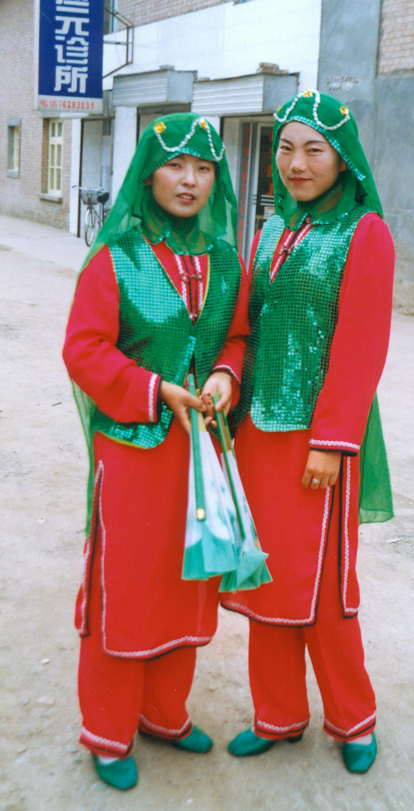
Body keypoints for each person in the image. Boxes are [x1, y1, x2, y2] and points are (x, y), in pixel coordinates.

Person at [63, 112, 248, 791]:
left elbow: (237, 338)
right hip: (134, 454)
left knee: (185, 582)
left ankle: (164, 714)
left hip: (201, 454)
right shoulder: (116, 257)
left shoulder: (226, 260)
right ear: (148, 174)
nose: (190, 180)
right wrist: (154, 389)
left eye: (203, 168)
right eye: (175, 165)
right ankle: (109, 731)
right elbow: (84, 349)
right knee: (127, 589)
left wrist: (225, 374)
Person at [222, 90, 395, 774]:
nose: (296, 164)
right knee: (266, 575)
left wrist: (331, 440)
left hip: (318, 441)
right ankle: (278, 715)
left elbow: (361, 347)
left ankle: (353, 719)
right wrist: (224, 381)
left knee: (324, 589)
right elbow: (245, 324)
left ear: (342, 157)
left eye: (313, 150)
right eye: (286, 149)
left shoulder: (364, 233)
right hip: (257, 433)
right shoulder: (272, 229)